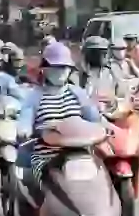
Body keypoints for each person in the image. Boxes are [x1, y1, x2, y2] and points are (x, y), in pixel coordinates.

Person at [17, 42, 104, 191]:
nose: (62, 72)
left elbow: (94, 118)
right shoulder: (35, 96)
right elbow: (26, 115)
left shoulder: (78, 93)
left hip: (80, 153)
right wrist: (24, 129)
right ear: (44, 68)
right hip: (48, 156)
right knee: (43, 187)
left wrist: (105, 127)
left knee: (99, 180)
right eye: (56, 67)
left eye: (65, 67)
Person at [79, 36, 132, 102]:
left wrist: (113, 100)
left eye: (105, 52)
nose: (104, 55)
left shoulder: (113, 71)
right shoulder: (78, 76)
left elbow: (123, 96)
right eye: (99, 52)